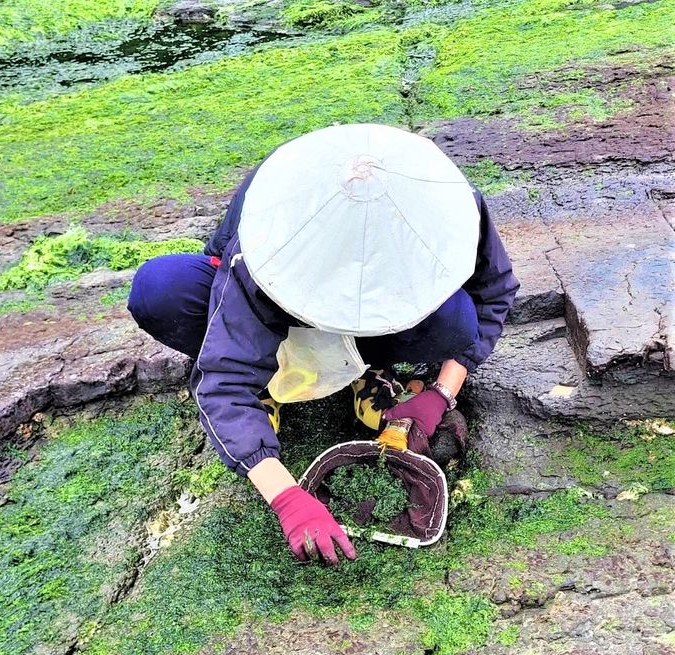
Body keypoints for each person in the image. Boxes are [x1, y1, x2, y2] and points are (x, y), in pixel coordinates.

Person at [128, 124, 519, 565]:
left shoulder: (450, 198)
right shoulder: (274, 224)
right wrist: (288, 499)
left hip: (373, 325)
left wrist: (441, 392)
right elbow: (223, 385)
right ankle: (270, 383)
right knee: (159, 289)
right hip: (272, 303)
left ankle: (369, 369)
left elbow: (493, 293)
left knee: (455, 319)